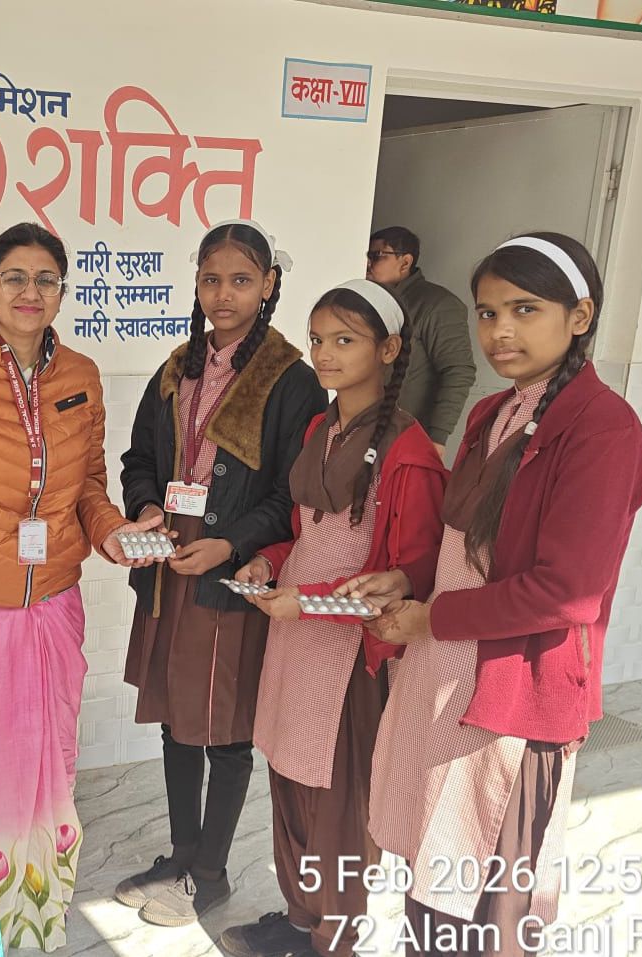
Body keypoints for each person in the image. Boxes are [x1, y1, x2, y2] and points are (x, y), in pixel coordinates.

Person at [340, 233, 642, 956]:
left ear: (580, 316)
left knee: (483, 906)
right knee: (430, 879)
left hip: (511, 696)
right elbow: (464, 544)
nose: (499, 331)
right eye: (486, 313)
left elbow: (567, 592)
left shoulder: (603, 428)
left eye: (524, 308)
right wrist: (410, 581)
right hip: (444, 677)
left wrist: (432, 615)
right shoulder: (492, 414)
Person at [0, 222, 162, 952]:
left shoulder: (79, 373)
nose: (30, 291)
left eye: (46, 279)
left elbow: (90, 489)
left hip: (53, 607)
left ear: (60, 292)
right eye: (15, 277)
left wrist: (116, 534)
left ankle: (27, 918)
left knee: (44, 776)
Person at [218, 279, 445, 957]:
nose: (324, 353)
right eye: (318, 339)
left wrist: (307, 600)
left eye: (344, 340)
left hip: (350, 656)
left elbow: (401, 581)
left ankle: (332, 937)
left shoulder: (410, 453)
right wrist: (269, 561)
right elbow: (305, 532)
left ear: (389, 348)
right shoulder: (322, 428)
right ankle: (296, 916)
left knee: (340, 802)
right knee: (288, 775)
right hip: (294, 636)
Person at [117, 220, 326, 928]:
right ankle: (181, 853)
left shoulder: (293, 380)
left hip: (227, 566)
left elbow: (291, 493)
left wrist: (231, 542)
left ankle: (211, 872)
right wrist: (146, 506)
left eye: (241, 279)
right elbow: (139, 456)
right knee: (180, 713)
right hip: (171, 559)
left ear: (269, 284)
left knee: (226, 727)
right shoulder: (178, 364)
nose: (223, 294)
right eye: (211, 279)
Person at [367, 226, 476, 456]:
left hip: (408, 436)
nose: (368, 263)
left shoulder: (438, 304)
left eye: (376, 255)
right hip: (366, 431)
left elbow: (458, 371)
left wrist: (437, 437)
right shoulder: (371, 302)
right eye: (365, 255)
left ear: (405, 262)